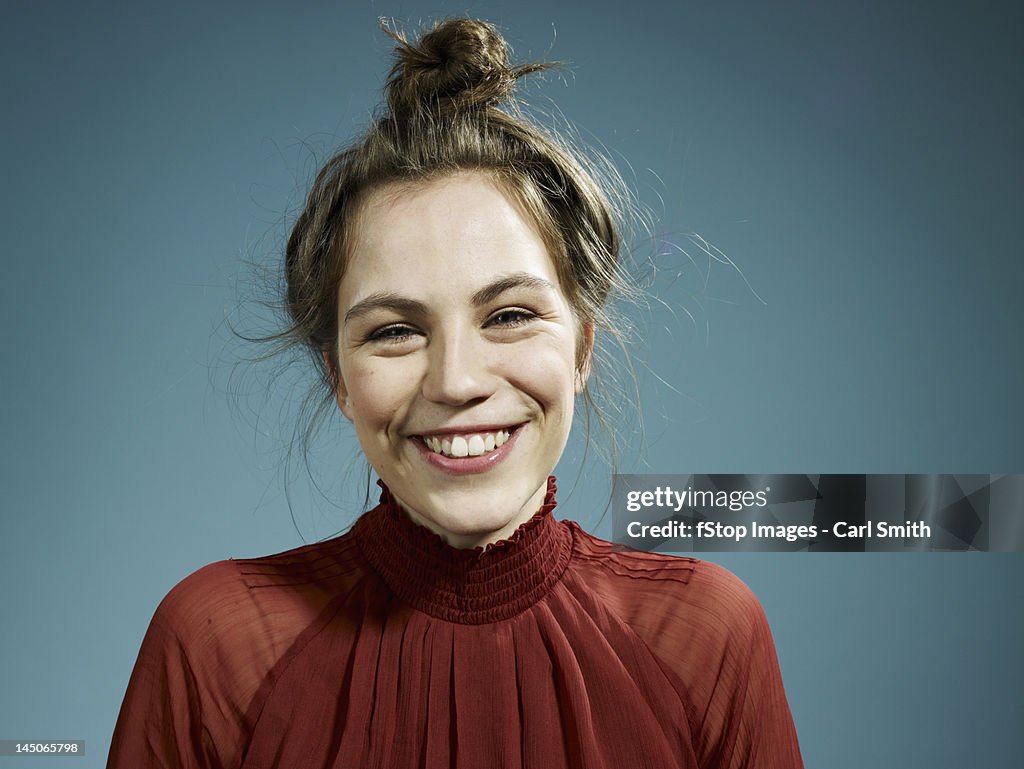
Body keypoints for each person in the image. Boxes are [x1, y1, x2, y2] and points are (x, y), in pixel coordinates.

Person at [107, 17, 803, 769]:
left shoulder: (705, 635)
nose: (456, 382)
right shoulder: (214, 645)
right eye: (394, 331)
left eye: (508, 315)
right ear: (338, 375)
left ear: (582, 349)